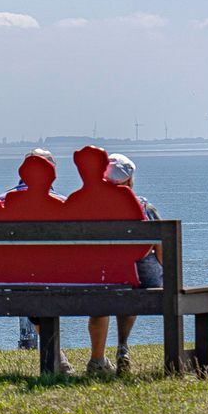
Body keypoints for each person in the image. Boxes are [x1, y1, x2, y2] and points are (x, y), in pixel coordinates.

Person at [64, 145, 145, 376]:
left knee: (101, 298)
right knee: (123, 289)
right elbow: (143, 240)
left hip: (83, 277)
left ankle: (98, 359)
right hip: (121, 275)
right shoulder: (125, 197)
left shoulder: (74, 199)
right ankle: (102, 358)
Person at [3, 151, 75, 375]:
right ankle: (74, 357)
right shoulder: (64, 205)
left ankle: (57, 355)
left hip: (7, 276)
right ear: (52, 173)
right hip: (55, 277)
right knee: (41, 281)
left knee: (31, 279)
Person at [97, 153, 163, 374]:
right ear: (130, 180)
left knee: (116, 283)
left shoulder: (92, 208)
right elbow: (162, 247)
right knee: (133, 277)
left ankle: (97, 358)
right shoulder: (144, 207)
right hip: (143, 280)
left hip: (102, 278)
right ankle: (122, 345)